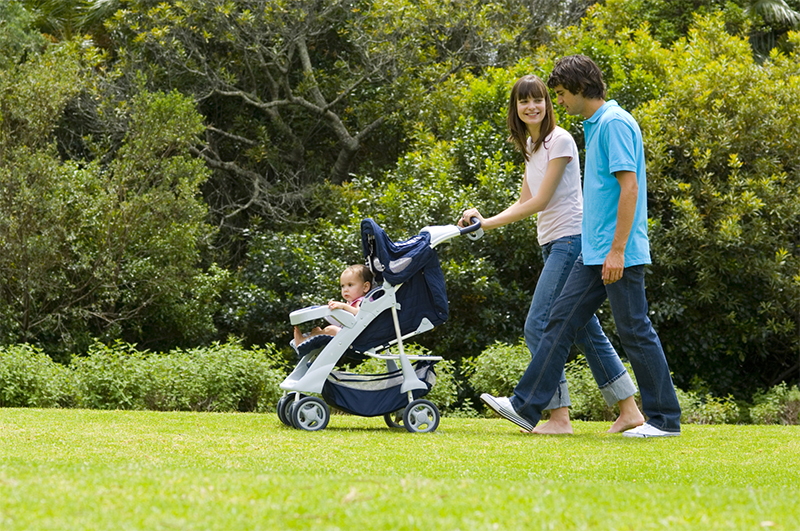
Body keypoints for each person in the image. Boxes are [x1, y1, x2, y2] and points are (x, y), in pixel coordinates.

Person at [480, 56, 682, 438]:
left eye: (559, 94)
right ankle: (526, 407)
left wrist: (618, 250)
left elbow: (630, 187)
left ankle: (664, 420)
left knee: (635, 329)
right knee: (559, 321)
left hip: (615, 251)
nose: (560, 102)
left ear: (577, 88)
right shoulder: (597, 125)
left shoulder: (614, 123)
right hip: (594, 251)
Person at [459, 74, 644, 435]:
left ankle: (558, 417)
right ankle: (630, 410)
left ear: (547, 104)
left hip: (570, 240)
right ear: (515, 108)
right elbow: (527, 199)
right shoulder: (532, 146)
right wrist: (485, 218)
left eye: (539, 100)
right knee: (585, 330)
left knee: (539, 322)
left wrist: (488, 224)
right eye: (524, 101)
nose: (532, 106)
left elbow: (541, 201)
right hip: (552, 242)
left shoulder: (560, 141)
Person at [293, 264, 374, 345]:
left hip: (357, 337)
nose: (345, 290)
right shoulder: (351, 302)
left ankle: (304, 340)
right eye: (342, 286)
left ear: (365, 287)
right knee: (329, 329)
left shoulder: (364, 300)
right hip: (350, 333)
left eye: (350, 285)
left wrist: (344, 306)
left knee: (332, 330)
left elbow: (360, 313)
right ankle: (315, 335)